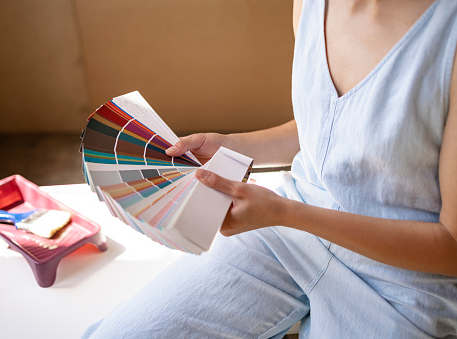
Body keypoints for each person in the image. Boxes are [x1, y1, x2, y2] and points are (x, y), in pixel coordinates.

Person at [82, 0, 457, 337]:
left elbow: (452, 247)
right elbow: (338, 127)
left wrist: (286, 213)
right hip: (288, 232)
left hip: (404, 284)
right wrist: (235, 147)